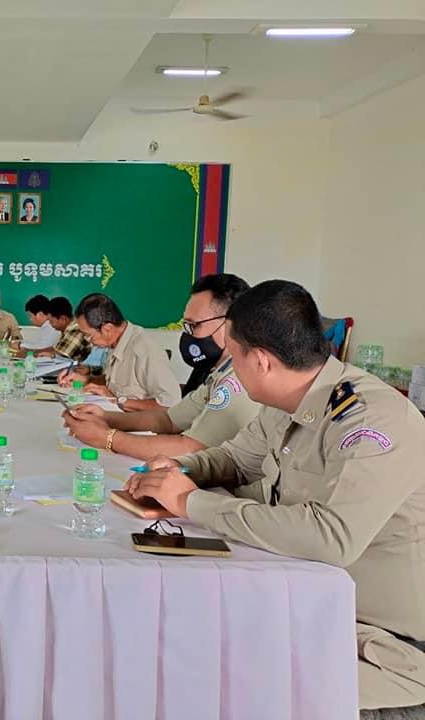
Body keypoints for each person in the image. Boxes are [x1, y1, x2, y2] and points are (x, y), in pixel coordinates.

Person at [125, 280, 425, 713]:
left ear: (261, 361)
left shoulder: (371, 421)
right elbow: (235, 459)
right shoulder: (287, 402)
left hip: (381, 648)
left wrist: (191, 502)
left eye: (234, 356)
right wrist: (179, 471)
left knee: (219, 684)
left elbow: (332, 537)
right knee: (179, 640)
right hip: (308, 607)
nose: (230, 366)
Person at [62, 273, 258, 459]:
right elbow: (168, 420)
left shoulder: (238, 379)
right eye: (186, 326)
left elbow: (190, 447)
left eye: (194, 325)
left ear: (230, 324)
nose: (187, 335)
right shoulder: (217, 374)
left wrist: (107, 437)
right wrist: (105, 418)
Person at [59, 293, 181, 409]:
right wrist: (87, 380)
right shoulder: (114, 343)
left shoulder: (144, 351)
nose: (88, 341)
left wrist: (117, 401)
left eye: (88, 335)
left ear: (107, 329)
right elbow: (114, 383)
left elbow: (170, 405)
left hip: (136, 422)